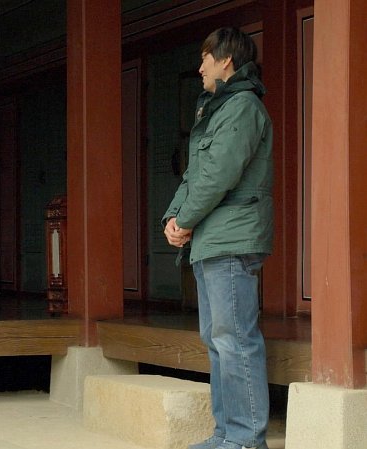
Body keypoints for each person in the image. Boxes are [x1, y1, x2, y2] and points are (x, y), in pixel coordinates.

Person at [162, 27, 273, 449]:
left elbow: (219, 174)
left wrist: (187, 219)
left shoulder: (242, 106)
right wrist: (174, 216)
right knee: (217, 341)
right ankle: (226, 433)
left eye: (205, 58)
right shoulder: (218, 108)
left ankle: (245, 439)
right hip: (211, 239)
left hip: (231, 239)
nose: (200, 67)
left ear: (226, 60)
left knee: (234, 339)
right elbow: (195, 174)